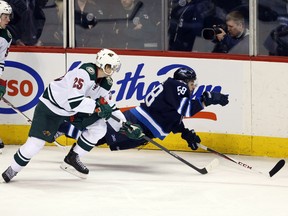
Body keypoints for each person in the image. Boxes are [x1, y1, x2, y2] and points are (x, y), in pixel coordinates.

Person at [1, 48, 144, 183]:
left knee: (99, 127)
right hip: (51, 108)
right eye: (109, 67)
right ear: (101, 63)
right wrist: (97, 107)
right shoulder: (84, 73)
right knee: (35, 145)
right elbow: (74, 101)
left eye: (114, 68)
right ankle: (13, 169)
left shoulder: (106, 82)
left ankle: (72, 157)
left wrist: (124, 126)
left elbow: (109, 106)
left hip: (71, 111)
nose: (111, 71)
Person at [55, 67, 229, 154]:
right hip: (136, 123)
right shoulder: (178, 86)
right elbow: (187, 110)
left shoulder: (171, 88)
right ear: (185, 82)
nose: (192, 88)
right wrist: (208, 99)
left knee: (101, 139)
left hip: (140, 122)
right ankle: (61, 127)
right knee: (98, 136)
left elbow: (169, 116)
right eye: (192, 84)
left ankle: (64, 129)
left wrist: (184, 133)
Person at [0, 0, 12, 154]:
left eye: (9, 16)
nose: (8, 20)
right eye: (5, 16)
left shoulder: (5, 36)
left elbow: (0, 60)